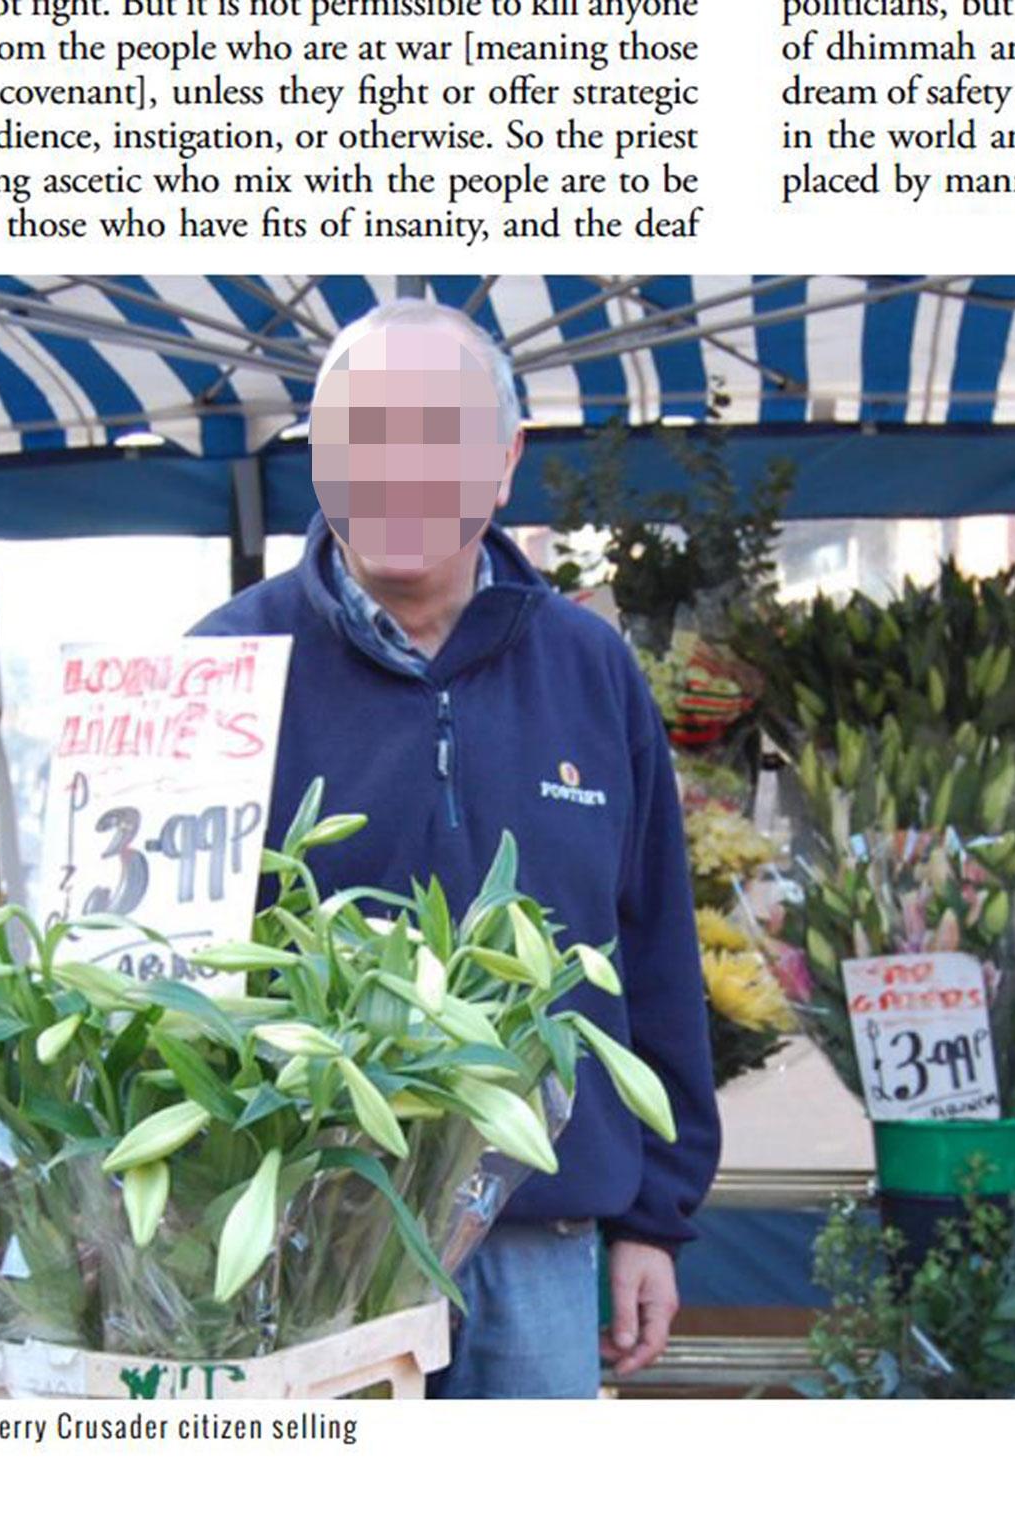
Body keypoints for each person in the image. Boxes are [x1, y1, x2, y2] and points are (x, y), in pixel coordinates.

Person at [190, 298, 720, 1398]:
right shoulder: (223, 665)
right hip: (308, 1238)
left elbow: (654, 948)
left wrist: (654, 1220)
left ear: (503, 461)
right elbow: (160, 964)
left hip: (540, 1235)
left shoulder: (589, 667)